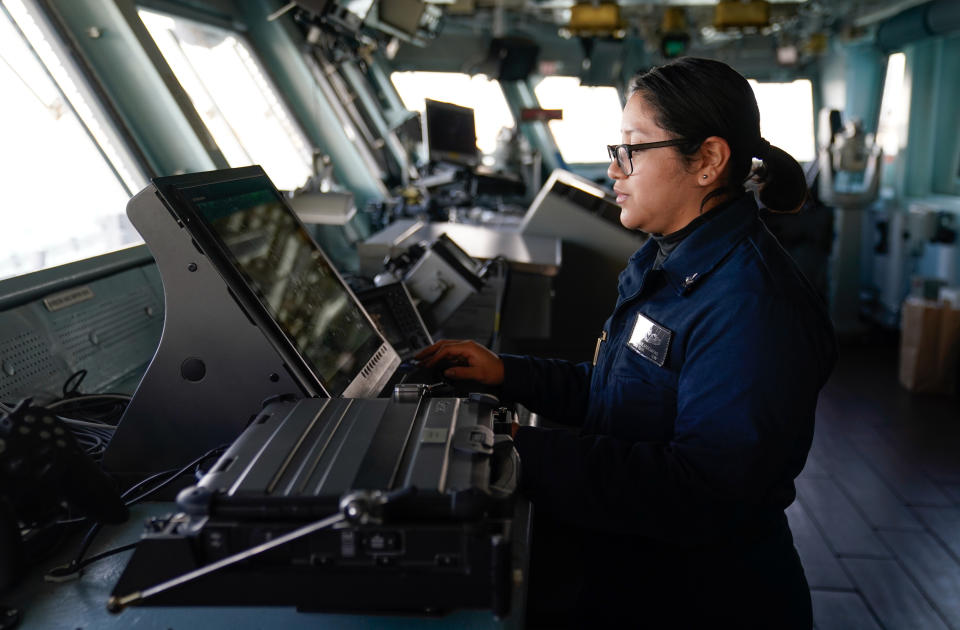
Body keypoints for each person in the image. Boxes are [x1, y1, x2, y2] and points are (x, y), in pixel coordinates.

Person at [417, 57, 837, 628]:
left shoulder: (751, 304)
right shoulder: (669, 255)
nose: (615, 169)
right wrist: (507, 374)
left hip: (705, 600)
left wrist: (514, 448)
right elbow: (622, 393)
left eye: (632, 149)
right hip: (638, 566)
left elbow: (705, 489)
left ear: (708, 161)